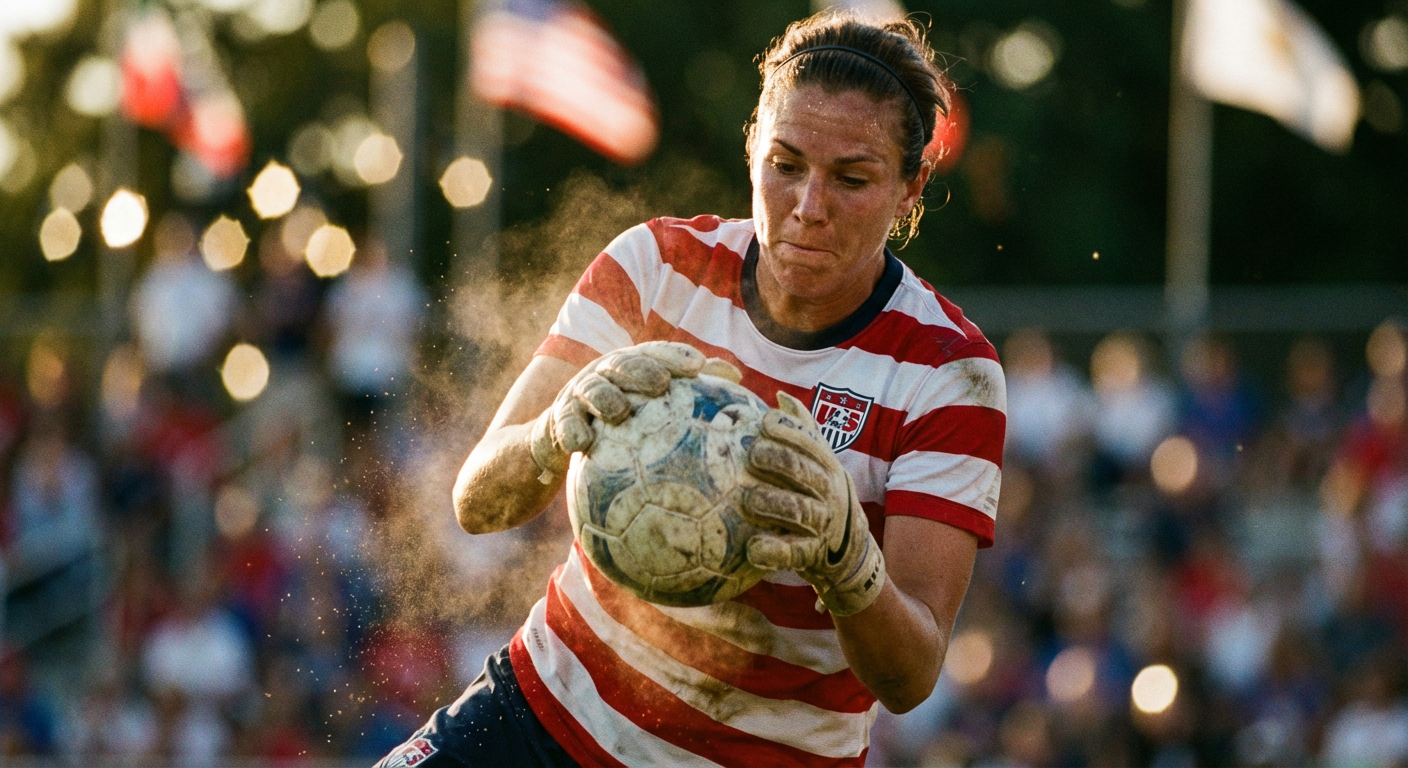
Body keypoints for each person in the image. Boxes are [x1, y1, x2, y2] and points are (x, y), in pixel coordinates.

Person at [378, 12, 1006, 767]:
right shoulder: (657, 265)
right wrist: (552, 435)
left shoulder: (950, 374)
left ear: (913, 186)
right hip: (541, 712)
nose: (809, 205)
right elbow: (477, 503)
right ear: (751, 151)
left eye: (852, 178)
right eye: (786, 164)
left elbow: (910, 676)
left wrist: (847, 561)